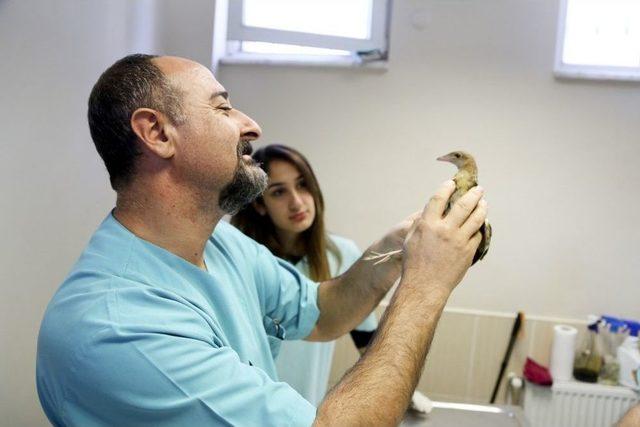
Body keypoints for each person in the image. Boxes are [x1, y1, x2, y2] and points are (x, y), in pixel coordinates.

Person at [36, 54, 487, 426]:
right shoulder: (121, 328)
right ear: (157, 133)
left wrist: (398, 250)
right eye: (222, 107)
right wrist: (425, 286)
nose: (251, 126)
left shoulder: (222, 247)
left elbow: (323, 312)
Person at [232, 144, 432, 412]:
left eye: (303, 185)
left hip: (308, 413)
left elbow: (366, 340)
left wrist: (404, 393)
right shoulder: (242, 259)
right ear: (259, 204)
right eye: (279, 192)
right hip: (251, 412)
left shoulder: (341, 255)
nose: (297, 202)